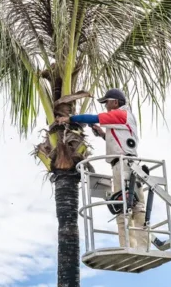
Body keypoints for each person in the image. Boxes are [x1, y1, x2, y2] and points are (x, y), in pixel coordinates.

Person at [58, 88, 147, 250]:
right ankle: (143, 247)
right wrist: (101, 134)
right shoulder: (125, 118)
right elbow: (119, 139)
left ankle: (128, 246)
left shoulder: (121, 113)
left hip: (122, 164)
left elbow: (94, 117)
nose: (106, 106)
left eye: (106, 102)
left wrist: (70, 119)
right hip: (131, 163)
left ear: (115, 102)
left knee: (123, 205)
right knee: (138, 206)